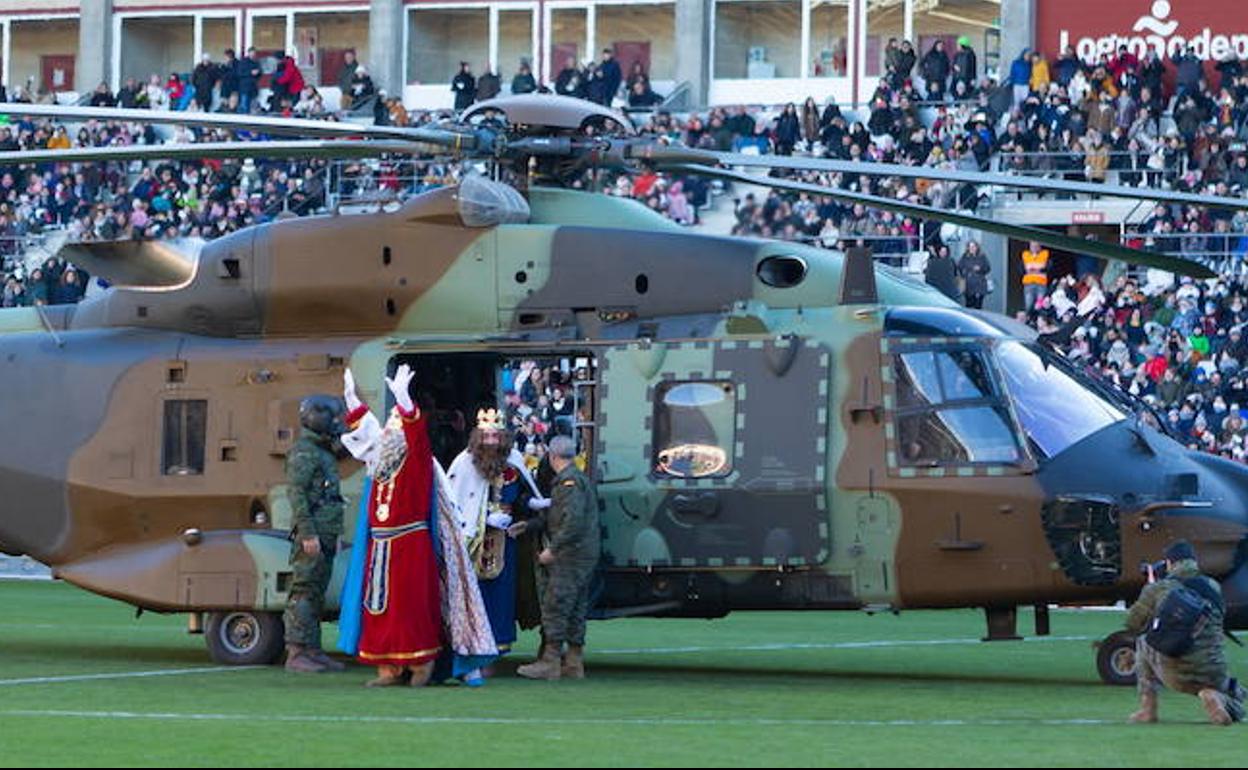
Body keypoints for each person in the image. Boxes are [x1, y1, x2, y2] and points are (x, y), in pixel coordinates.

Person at [338, 369, 497, 688]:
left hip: (410, 545)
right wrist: (353, 402)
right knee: (378, 609)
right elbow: (368, 436)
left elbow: (416, 437)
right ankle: (388, 669)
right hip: (380, 546)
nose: (391, 430)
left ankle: (421, 666)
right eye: (391, 423)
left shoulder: (417, 462)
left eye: (398, 424)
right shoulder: (379, 461)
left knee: (411, 610)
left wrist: (405, 403)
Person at [446, 407, 547, 683]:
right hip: (474, 543)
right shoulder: (463, 463)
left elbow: (522, 495)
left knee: (501, 599)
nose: (491, 441)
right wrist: (485, 517)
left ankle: (496, 650)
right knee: (476, 596)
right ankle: (476, 651)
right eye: (486, 436)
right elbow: (455, 501)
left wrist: (532, 503)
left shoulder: (513, 461)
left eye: (495, 436)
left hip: (506, 544)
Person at [1125, 540, 1245, 725]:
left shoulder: (1159, 588)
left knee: (1143, 640)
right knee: (1237, 706)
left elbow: (1133, 623)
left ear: (1169, 563)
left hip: (1174, 672)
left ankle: (1147, 710)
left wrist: (1149, 587)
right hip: (1212, 671)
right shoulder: (1213, 586)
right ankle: (1215, 696)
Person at [514, 435, 599, 680]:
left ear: (551, 456)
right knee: (575, 608)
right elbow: (557, 517)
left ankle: (550, 661)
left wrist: (553, 550)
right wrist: (529, 526)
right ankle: (574, 662)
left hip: (570, 556)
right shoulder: (577, 479)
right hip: (582, 555)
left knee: (556, 605)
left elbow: (571, 522)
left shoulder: (568, 483)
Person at [283, 394, 349, 674]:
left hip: (326, 531)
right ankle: (296, 652)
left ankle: (313, 650)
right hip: (314, 533)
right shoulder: (305, 451)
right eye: (333, 418)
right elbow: (296, 493)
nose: (337, 423)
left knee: (317, 592)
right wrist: (308, 533)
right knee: (305, 590)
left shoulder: (322, 450)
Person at [958, 240, 991, 309]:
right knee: (969, 305)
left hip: (980, 285)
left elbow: (988, 268)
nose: (972, 248)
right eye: (970, 247)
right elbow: (960, 267)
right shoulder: (965, 256)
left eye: (973, 247)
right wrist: (965, 273)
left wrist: (980, 268)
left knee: (978, 305)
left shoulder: (982, 256)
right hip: (968, 285)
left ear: (977, 247)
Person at [1021, 240, 1049, 313]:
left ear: (1040, 247)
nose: (1034, 248)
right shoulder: (1025, 254)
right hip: (1029, 284)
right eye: (1032, 246)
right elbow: (1024, 268)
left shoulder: (1045, 254)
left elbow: (1045, 267)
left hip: (1041, 284)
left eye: (1036, 246)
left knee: (1039, 306)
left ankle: (1038, 322)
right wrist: (1037, 267)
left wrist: (1032, 267)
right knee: (1028, 305)